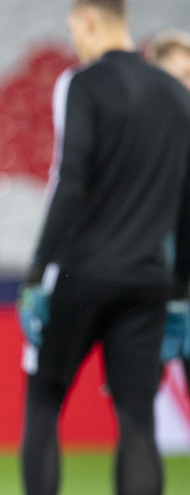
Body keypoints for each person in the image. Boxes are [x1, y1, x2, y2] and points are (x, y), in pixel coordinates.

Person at [18, 1, 190, 494]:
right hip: (147, 280)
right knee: (137, 420)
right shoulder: (177, 95)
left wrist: (37, 273)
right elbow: (185, 202)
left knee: (44, 402)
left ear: (91, 19)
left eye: (74, 26)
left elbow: (70, 181)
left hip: (81, 273)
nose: (74, 37)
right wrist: (179, 290)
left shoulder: (82, 83)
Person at [148, 28, 190, 394]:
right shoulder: (138, 143)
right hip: (146, 292)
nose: (183, 86)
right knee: (136, 403)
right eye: (174, 77)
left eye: (189, 75)